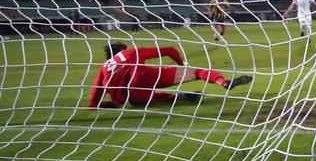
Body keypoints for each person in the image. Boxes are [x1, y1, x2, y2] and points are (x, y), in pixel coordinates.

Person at [87, 43, 251, 108]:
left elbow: (94, 97)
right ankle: (223, 82)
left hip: (134, 97)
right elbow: (170, 50)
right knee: (197, 72)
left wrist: (106, 104)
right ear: (122, 49)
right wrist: (182, 65)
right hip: (147, 76)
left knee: (149, 98)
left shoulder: (104, 67)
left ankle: (178, 97)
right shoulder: (130, 52)